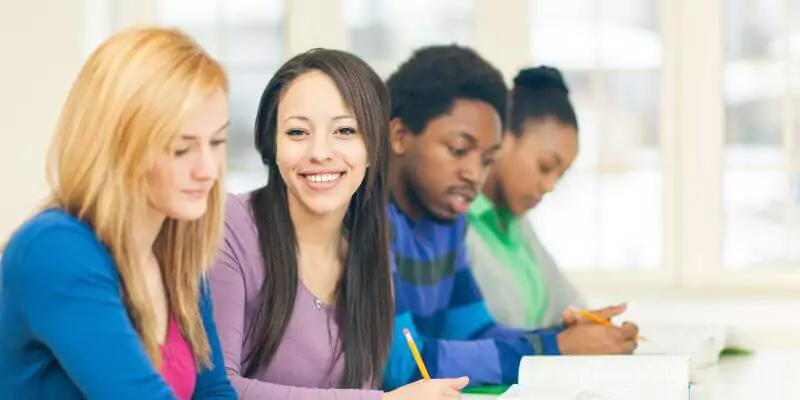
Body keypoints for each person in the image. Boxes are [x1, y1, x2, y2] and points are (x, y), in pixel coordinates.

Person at [209, 48, 469, 400]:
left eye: (345, 130)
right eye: (297, 132)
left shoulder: (371, 254)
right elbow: (216, 390)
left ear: (372, 148)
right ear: (273, 143)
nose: (319, 152)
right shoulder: (228, 229)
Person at [382, 46, 640, 390]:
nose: (475, 174)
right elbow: (407, 366)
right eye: (459, 150)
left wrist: (562, 338)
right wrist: (555, 348)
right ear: (399, 136)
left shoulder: (447, 222)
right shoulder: (367, 223)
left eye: (487, 159)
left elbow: (473, 331)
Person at [0, 26, 236, 399]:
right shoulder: (55, 251)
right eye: (181, 148)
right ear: (118, 148)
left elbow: (214, 391)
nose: (207, 168)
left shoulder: (178, 254)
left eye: (217, 141)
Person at [466, 65, 634, 332]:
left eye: (560, 175)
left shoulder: (516, 225)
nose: (549, 186)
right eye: (545, 166)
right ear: (502, 138)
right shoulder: (456, 226)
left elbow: (570, 305)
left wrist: (591, 327)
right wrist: (559, 341)